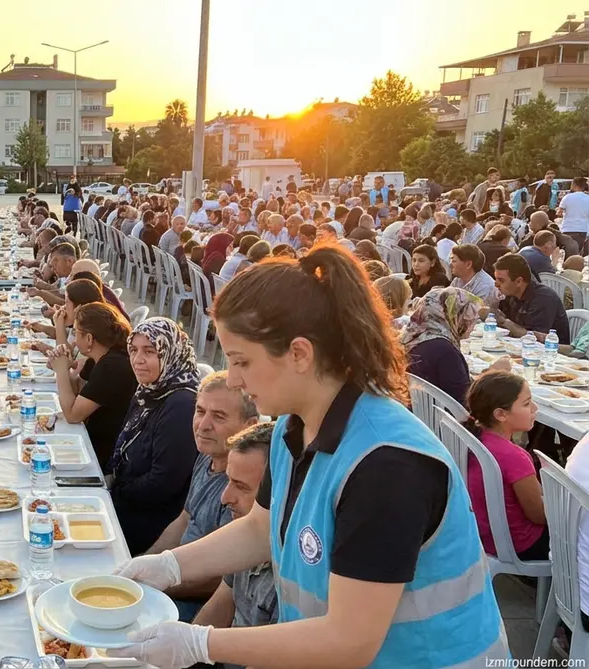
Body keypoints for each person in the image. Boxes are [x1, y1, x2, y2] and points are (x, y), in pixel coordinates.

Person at [108, 245, 508, 668]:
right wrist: (168, 565)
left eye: (242, 361)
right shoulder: (290, 429)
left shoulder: (387, 465)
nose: (237, 379)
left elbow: (348, 641)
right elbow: (261, 528)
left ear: (299, 353)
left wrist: (201, 645)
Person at [142, 372, 260, 622]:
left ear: (249, 427)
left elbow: (220, 579)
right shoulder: (208, 454)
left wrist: (151, 585)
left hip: (194, 604)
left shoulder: (244, 488)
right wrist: (144, 562)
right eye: (200, 411)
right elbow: (184, 520)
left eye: (218, 416)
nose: (203, 425)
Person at [110, 317, 202, 555]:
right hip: (128, 502)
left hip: (151, 524)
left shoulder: (181, 404)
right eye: (133, 350)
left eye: (149, 351)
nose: (138, 360)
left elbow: (163, 483)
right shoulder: (150, 390)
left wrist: (114, 493)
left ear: (169, 352)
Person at [191, 422, 279, 643]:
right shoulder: (244, 538)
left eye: (241, 486)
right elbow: (219, 606)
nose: (225, 497)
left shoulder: (292, 576)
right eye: (229, 481)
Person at [464, 371, 548, 561]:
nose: (535, 408)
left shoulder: (473, 437)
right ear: (500, 414)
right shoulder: (515, 457)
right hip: (520, 545)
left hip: (482, 535)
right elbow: (539, 516)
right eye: (526, 404)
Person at [48, 303, 138, 469]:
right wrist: (66, 368)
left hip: (105, 454)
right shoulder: (99, 358)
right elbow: (78, 394)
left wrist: (60, 371)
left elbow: (73, 415)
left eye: (76, 333)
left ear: (89, 338)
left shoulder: (111, 366)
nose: (73, 341)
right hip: (93, 439)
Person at [402, 287, 480, 404]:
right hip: (441, 417)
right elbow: (464, 399)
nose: (472, 324)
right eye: (470, 318)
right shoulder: (445, 351)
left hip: (417, 409)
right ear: (455, 316)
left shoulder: (413, 336)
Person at [491, 252, 570, 343]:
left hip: (550, 352)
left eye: (501, 280)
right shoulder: (511, 294)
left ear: (519, 281)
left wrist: (504, 322)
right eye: (495, 279)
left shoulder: (543, 299)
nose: (496, 284)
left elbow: (535, 339)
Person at [449, 244, 499, 309]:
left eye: (454, 261)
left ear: (468, 264)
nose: (450, 264)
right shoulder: (458, 280)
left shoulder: (485, 286)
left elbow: (476, 314)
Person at [560, 176, 589, 252]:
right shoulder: (587, 198)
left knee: (566, 252)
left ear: (574, 185)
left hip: (567, 228)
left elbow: (559, 212)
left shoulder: (567, 197)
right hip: (582, 229)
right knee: (577, 252)